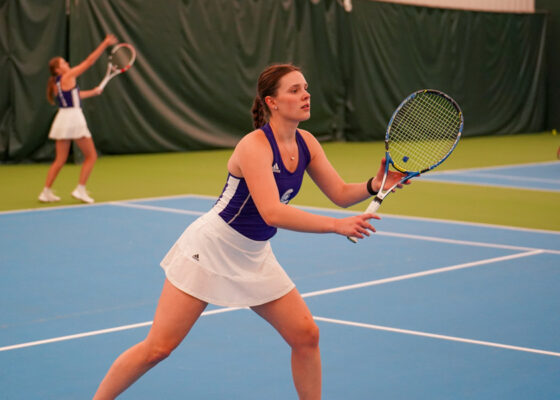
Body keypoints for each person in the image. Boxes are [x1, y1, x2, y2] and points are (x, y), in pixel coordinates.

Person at [92, 64, 409, 400]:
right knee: (158, 348)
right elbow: (272, 211)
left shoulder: (307, 143)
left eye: (306, 87)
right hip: (210, 248)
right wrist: (334, 225)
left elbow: (341, 193)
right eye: (295, 90)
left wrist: (377, 184)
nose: (306, 95)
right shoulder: (254, 146)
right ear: (271, 102)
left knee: (306, 335)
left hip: (254, 254)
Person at [38, 34, 118, 204]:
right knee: (91, 156)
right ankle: (80, 189)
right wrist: (104, 43)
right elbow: (89, 61)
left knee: (60, 160)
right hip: (74, 118)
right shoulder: (68, 76)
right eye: (63, 63)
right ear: (58, 70)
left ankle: (46, 191)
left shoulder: (56, 82)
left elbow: (75, 95)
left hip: (62, 118)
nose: (67, 64)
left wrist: (93, 91)